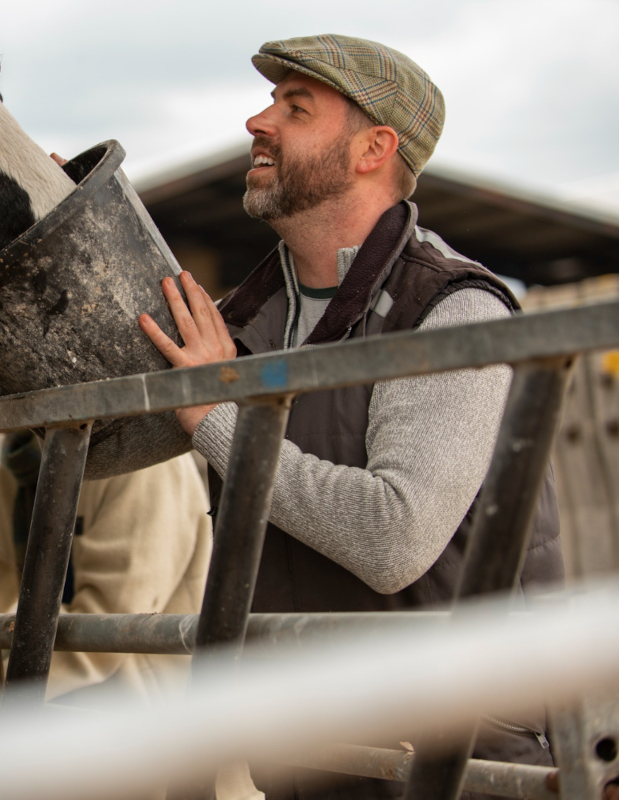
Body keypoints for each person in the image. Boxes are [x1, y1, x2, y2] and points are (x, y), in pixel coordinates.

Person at [139, 35, 563, 799]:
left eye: (294, 109)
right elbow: (115, 442)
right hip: (313, 757)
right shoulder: (243, 321)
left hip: (454, 763)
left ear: (374, 148)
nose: (256, 123)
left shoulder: (451, 308)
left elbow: (393, 538)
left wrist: (216, 416)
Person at [0, 363, 263, 800]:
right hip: (80, 729)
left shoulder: (136, 466)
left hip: (160, 740)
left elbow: (110, 624)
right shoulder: (25, 466)